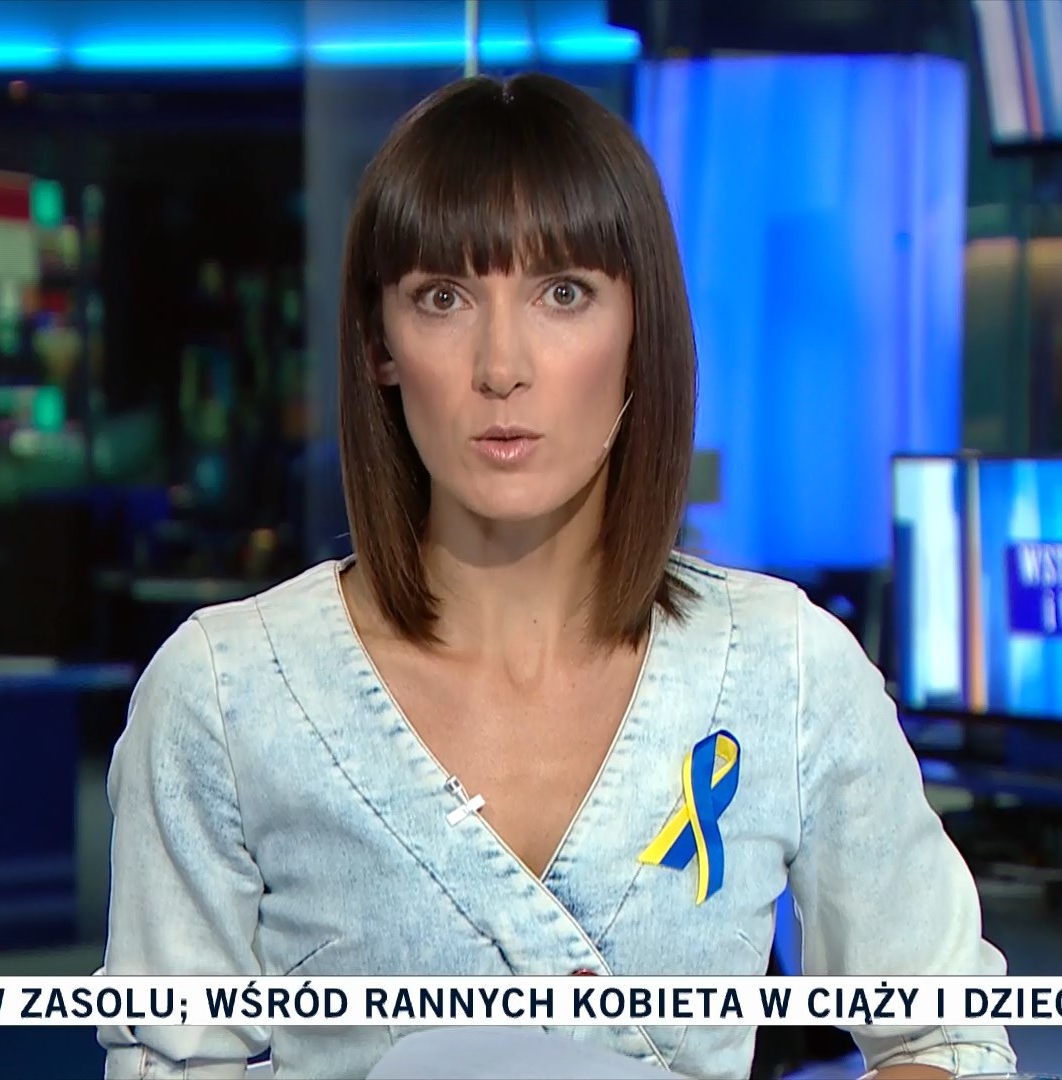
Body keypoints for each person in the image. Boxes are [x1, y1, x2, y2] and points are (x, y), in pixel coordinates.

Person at [98, 72, 1015, 1080]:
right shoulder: (227, 696)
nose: (503, 366)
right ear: (379, 344)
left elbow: (948, 1034)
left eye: (563, 294)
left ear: (639, 332)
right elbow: (169, 1064)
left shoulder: (786, 670)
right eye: (443, 298)